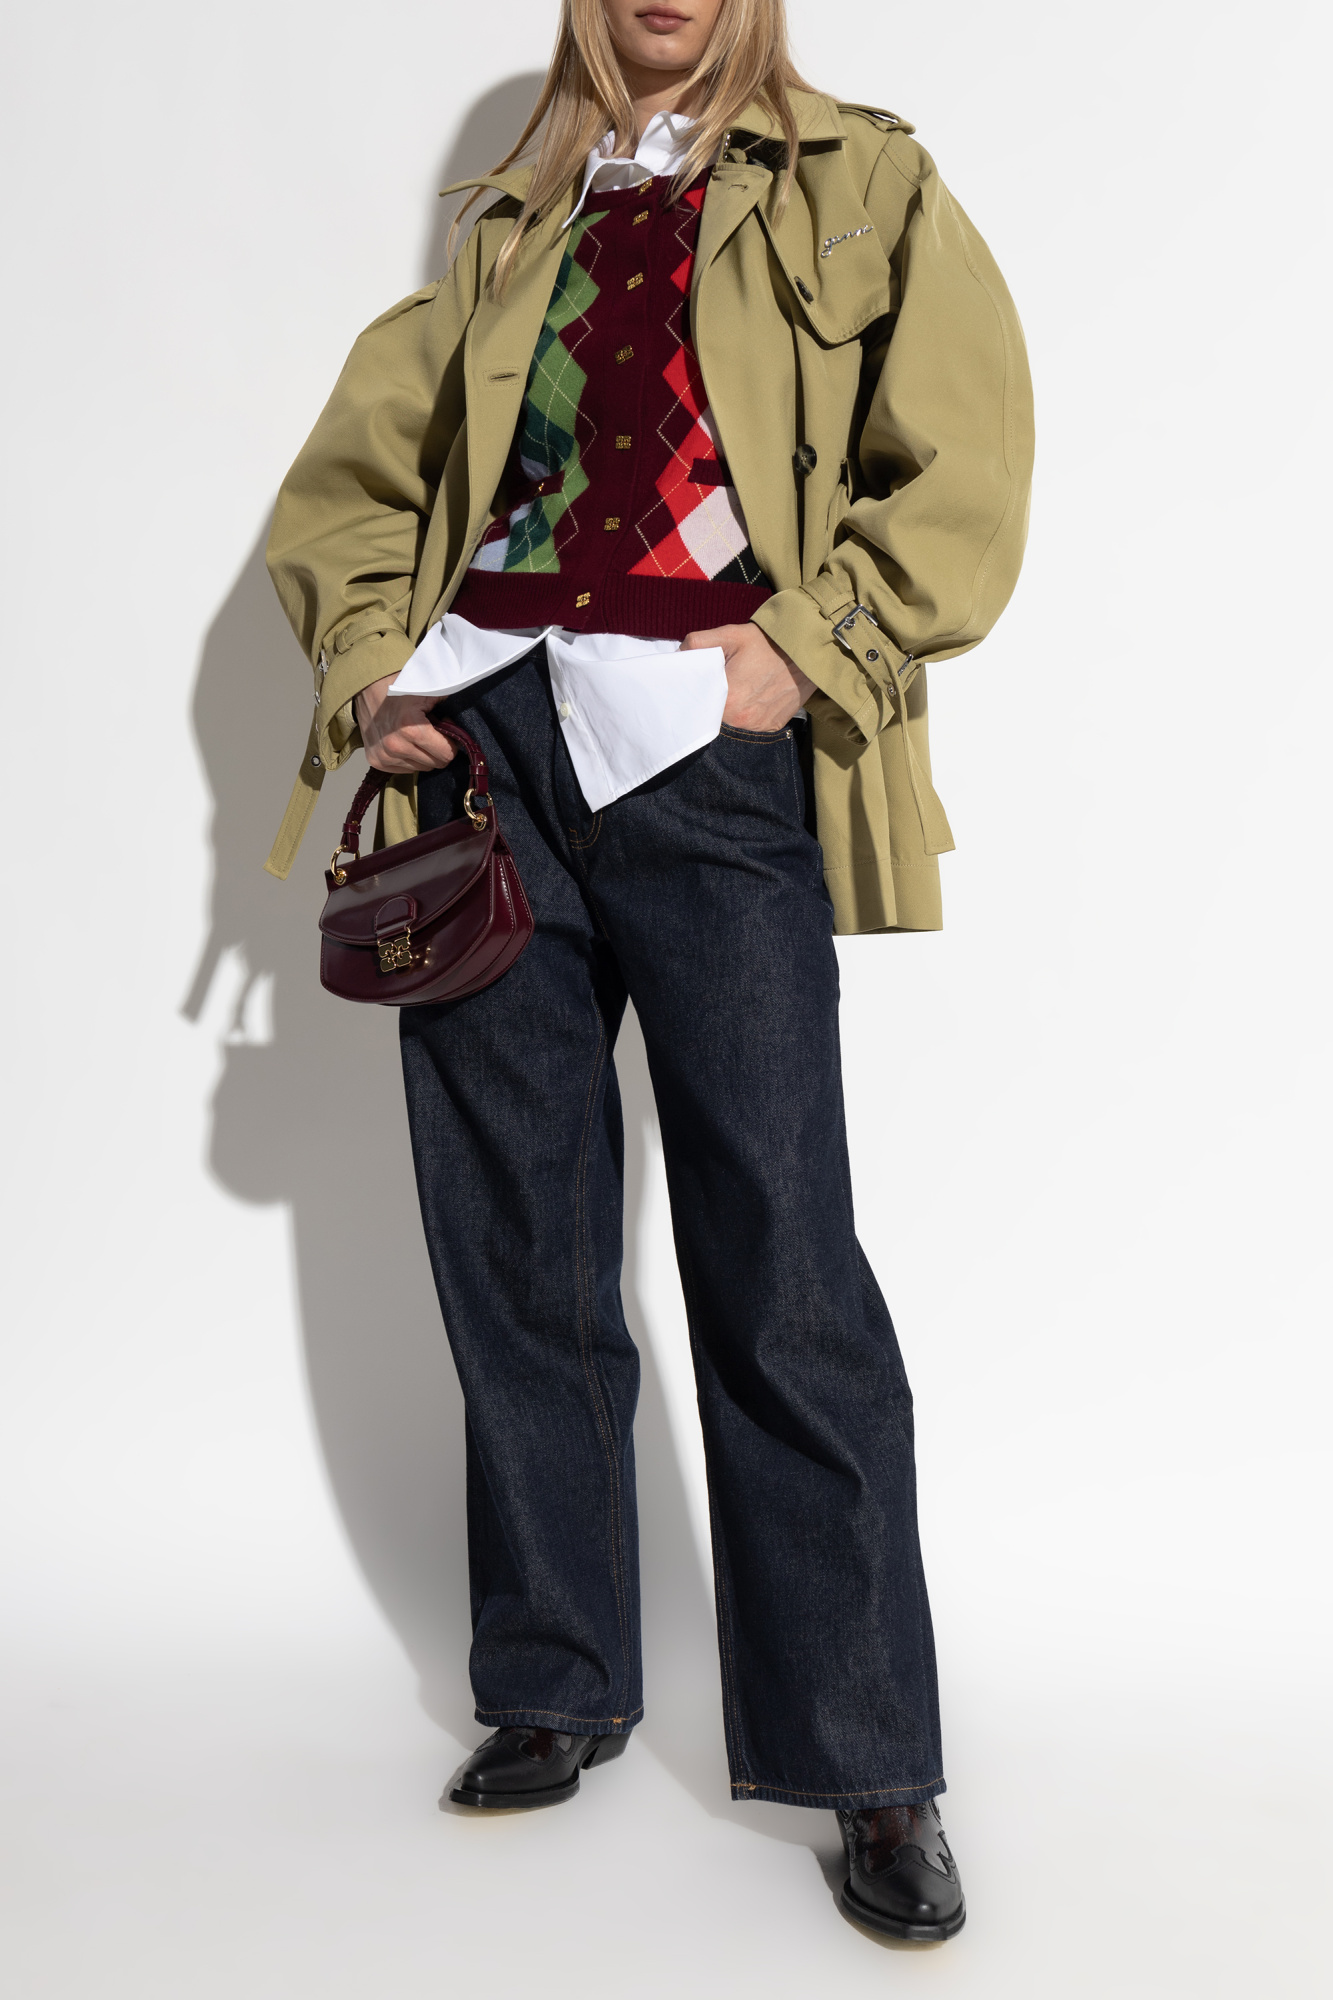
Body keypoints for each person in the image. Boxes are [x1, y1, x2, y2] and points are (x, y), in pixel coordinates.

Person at [264, 0, 1033, 1945]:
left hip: (705, 750)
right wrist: (373, 668)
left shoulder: (863, 180)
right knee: (515, 1240)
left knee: (781, 1251)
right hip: (488, 752)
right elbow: (356, 479)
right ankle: (554, 1678)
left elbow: (960, 468)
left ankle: (868, 1755)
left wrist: (804, 652)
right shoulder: (516, 213)